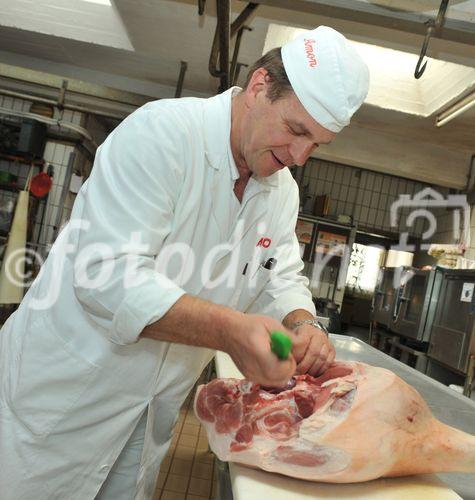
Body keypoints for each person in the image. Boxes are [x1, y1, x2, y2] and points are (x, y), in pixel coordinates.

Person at [0, 26, 369, 500]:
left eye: (316, 145)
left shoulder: (281, 192)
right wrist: (230, 330)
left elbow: (280, 276)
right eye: (296, 130)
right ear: (259, 87)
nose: (298, 156)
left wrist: (304, 321)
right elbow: (105, 278)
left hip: (148, 418)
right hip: (60, 410)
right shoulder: (163, 135)